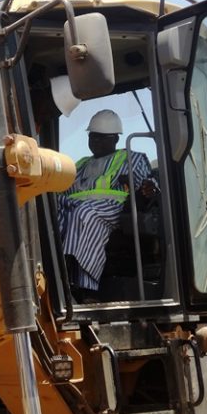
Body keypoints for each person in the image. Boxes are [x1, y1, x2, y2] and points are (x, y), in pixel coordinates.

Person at [58, 109, 157, 299]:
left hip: (114, 209)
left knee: (85, 213)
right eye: (93, 137)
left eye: (101, 138)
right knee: (52, 207)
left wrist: (146, 189)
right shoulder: (81, 164)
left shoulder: (131, 158)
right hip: (77, 206)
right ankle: (57, 269)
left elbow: (148, 187)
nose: (95, 142)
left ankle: (85, 287)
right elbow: (65, 189)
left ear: (115, 139)